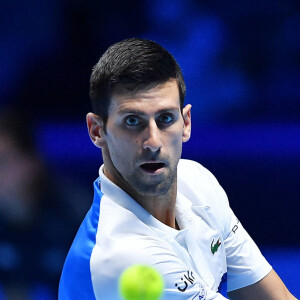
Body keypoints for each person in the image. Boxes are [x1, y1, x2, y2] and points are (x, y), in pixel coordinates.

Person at [59, 38, 297, 299]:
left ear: (185, 123)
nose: (153, 142)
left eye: (165, 119)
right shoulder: (120, 254)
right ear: (97, 131)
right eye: (132, 121)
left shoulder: (197, 182)